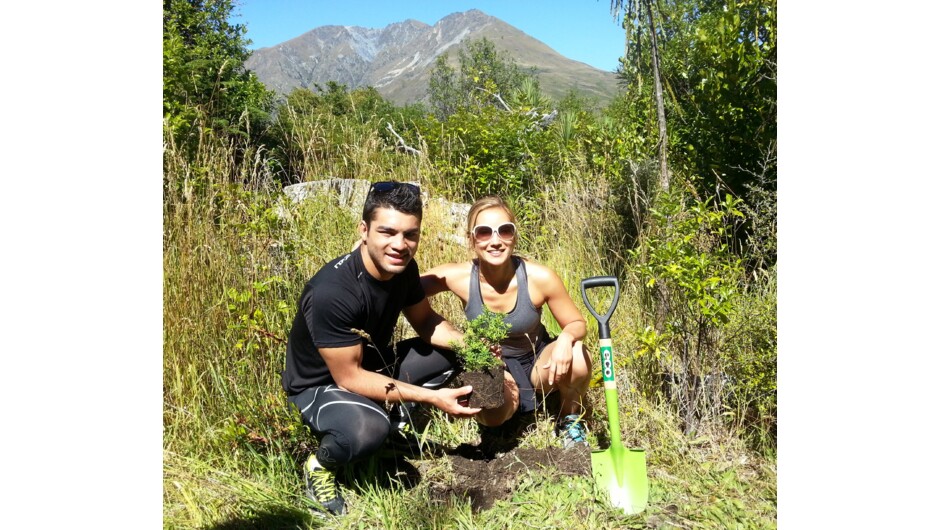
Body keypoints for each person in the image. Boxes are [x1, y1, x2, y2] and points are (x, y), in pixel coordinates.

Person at [282, 181, 481, 517]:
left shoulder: (403, 269)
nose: (399, 245)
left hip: (371, 364)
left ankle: (394, 428)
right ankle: (320, 464)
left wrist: (477, 349)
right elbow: (350, 379)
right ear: (364, 230)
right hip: (321, 385)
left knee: (450, 352)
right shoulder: (333, 291)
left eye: (410, 235)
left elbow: (427, 323)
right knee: (369, 429)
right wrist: (433, 398)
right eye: (387, 232)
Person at [421, 195, 592, 451]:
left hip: (536, 361)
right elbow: (403, 288)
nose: (495, 241)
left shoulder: (539, 277)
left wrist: (566, 339)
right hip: (491, 362)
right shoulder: (459, 276)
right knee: (492, 417)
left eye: (504, 230)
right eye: (484, 233)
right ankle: (506, 409)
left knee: (578, 354)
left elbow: (577, 323)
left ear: (514, 235)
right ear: (471, 239)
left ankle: (568, 419)